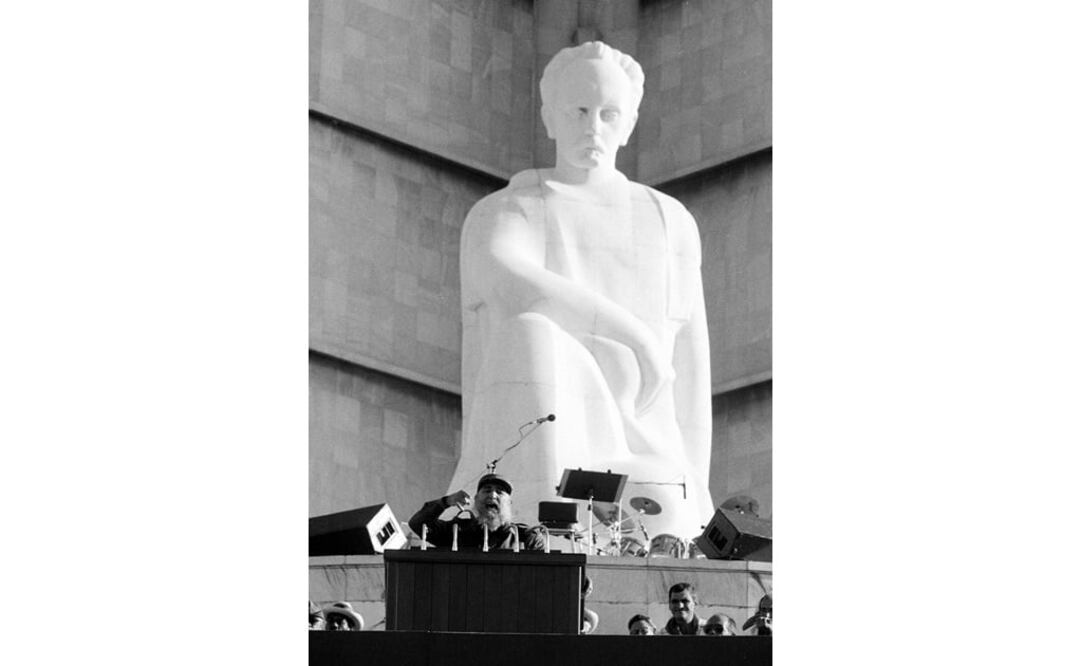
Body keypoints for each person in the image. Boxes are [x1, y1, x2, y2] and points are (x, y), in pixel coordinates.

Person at [449, 41, 713, 538]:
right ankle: (526, 529)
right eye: (578, 110)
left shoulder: (668, 219)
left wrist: (697, 489)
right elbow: (509, 282)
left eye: (609, 114)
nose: (593, 126)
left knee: (665, 507)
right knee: (530, 332)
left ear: (630, 123)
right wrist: (635, 337)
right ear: (548, 117)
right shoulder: (507, 209)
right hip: (540, 448)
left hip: (640, 458)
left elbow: (692, 379)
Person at [408, 473, 545, 550]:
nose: (492, 495)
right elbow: (418, 523)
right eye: (487, 490)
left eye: (499, 492)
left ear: (509, 503)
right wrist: (446, 502)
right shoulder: (457, 531)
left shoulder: (526, 537)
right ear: (476, 499)